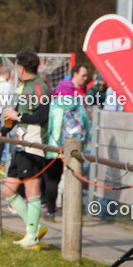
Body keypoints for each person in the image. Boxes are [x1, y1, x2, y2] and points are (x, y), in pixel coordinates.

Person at [0, 50, 50, 250]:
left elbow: (42, 115)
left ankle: (32, 236)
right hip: (21, 147)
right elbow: (13, 115)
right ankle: (35, 227)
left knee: (32, 191)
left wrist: (18, 117)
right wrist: (1, 130)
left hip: (34, 146)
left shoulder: (40, 87)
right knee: (8, 190)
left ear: (21, 68)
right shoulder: (23, 86)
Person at [42, 64, 92, 220]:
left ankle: (50, 211)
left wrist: (47, 143)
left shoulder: (53, 105)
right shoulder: (79, 104)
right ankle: (73, 213)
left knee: (52, 181)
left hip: (55, 148)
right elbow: (87, 126)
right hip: (75, 147)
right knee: (73, 180)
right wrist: (83, 144)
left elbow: (49, 127)